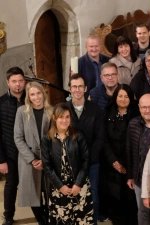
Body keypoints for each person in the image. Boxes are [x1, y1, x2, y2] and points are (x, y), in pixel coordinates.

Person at [41, 103, 93, 224]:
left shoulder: (78, 135)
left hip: (79, 186)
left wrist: (78, 184)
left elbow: (86, 160)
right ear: (54, 118)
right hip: (59, 188)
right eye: (61, 117)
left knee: (81, 219)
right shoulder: (47, 139)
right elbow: (47, 165)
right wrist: (60, 186)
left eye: (67, 117)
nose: (64, 120)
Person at [67, 73, 105, 224]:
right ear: (69, 89)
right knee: (72, 195)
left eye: (80, 86)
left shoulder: (95, 110)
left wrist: (88, 158)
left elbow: (100, 137)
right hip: (70, 162)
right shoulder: (63, 109)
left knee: (93, 195)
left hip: (92, 162)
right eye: (74, 86)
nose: (77, 89)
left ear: (86, 88)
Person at [13, 82, 52, 225]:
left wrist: (46, 159)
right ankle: (42, 221)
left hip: (48, 160)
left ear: (43, 93)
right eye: (32, 94)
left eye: (39, 93)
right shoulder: (22, 112)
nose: (36, 97)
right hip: (29, 161)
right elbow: (18, 138)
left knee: (49, 194)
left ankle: (49, 220)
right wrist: (33, 159)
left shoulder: (51, 111)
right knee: (33, 196)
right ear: (28, 97)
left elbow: (56, 138)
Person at [103, 84, 138, 224]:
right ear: (115, 97)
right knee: (114, 199)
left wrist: (126, 163)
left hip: (130, 163)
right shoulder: (107, 112)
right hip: (112, 164)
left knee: (130, 200)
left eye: (126, 96)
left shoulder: (136, 114)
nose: (123, 99)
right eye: (120, 96)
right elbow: (103, 139)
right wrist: (114, 162)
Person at [126, 94, 150, 225]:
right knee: (142, 211)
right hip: (140, 178)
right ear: (139, 108)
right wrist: (130, 176)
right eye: (144, 107)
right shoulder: (133, 124)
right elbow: (129, 151)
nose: (147, 110)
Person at [0, 67, 26, 225]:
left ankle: (41, 212)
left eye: (21, 81)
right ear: (7, 82)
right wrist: (1, 160)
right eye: (14, 81)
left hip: (30, 152)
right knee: (11, 185)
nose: (18, 84)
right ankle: (8, 216)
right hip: (9, 153)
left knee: (35, 184)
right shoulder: (1, 103)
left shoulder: (30, 98)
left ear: (25, 81)